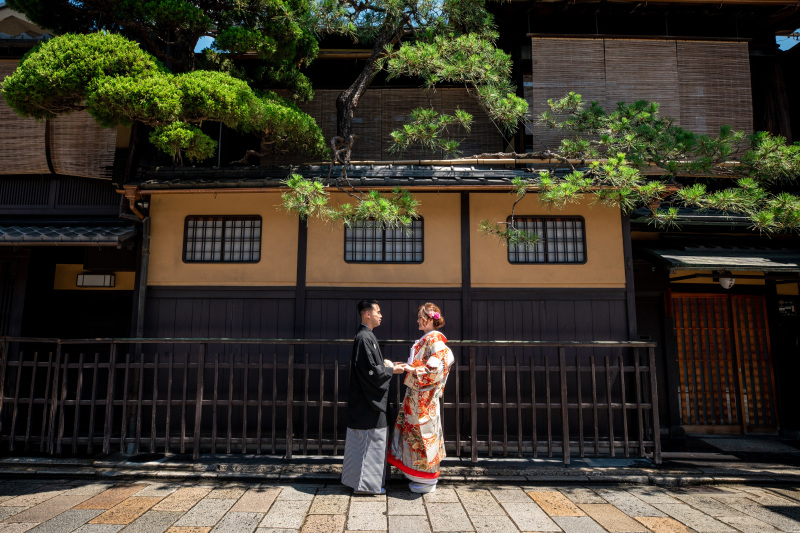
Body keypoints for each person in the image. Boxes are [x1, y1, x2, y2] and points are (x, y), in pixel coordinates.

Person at [387, 302, 455, 494]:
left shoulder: (435, 341)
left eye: (419, 317)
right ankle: (417, 475)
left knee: (424, 435)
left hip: (424, 399)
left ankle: (425, 479)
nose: (417, 321)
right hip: (418, 397)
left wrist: (413, 369)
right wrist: (412, 368)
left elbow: (436, 368)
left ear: (427, 319)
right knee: (416, 435)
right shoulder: (427, 340)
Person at [342, 299, 404, 495]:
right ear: (367, 314)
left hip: (364, 402)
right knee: (370, 443)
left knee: (360, 444)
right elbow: (371, 372)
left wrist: (387, 366)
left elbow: (373, 368)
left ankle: (356, 482)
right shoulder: (364, 338)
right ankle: (367, 486)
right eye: (377, 311)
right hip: (368, 404)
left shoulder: (366, 337)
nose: (381, 315)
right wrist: (391, 369)